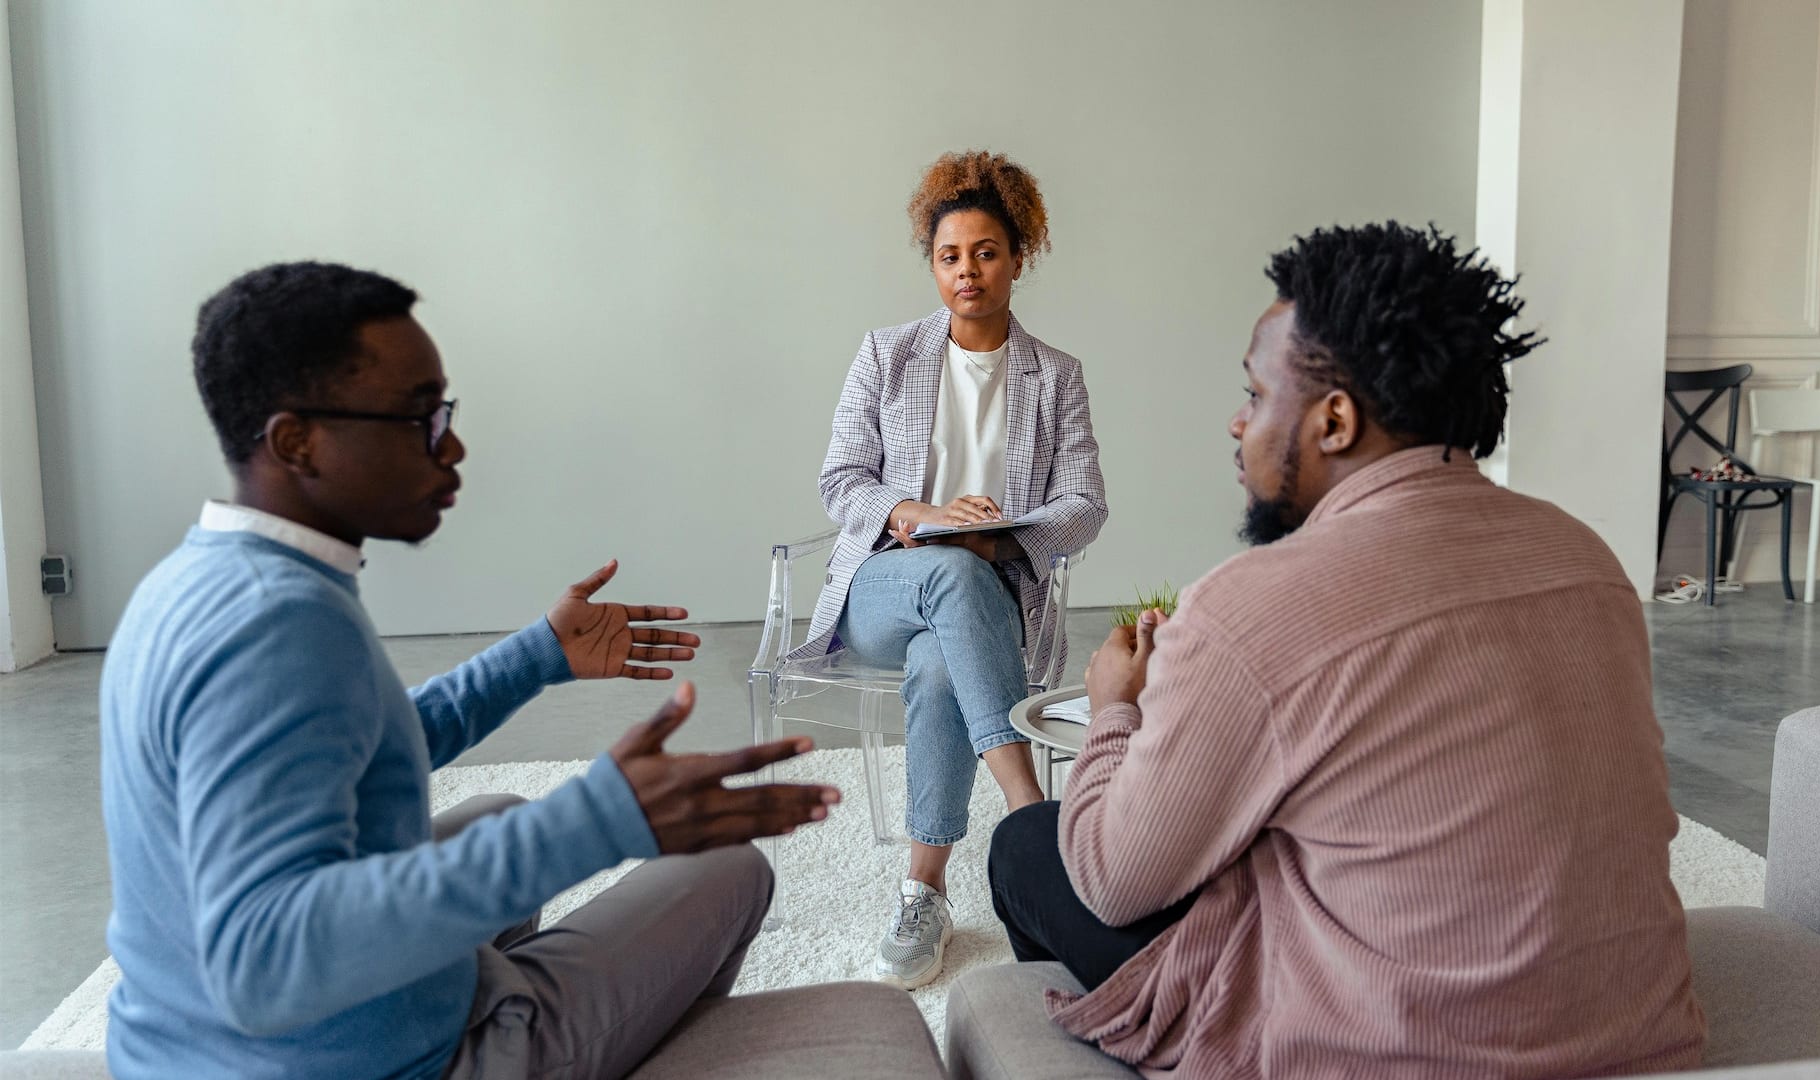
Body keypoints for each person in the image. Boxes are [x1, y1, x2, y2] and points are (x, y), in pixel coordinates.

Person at [988, 223, 1706, 1077]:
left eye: (1255, 396)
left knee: (1032, 843)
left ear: (1334, 420)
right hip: (1635, 1036)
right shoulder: (1584, 558)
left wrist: (1116, 710)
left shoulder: (1250, 605)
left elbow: (1114, 880)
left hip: (1388, 1050)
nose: (1237, 421)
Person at [99, 261, 840, 1080]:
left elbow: (347, 751)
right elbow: (263, 965)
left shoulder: (199, 578)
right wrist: (594, 822)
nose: (451, 446)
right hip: (377, 1062)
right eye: (419, 417)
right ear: (296, 441)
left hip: (178, 1047)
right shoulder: (280, 624)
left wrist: (534, 659)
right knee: (730, 869)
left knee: (491, 814)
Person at [798, 150, 1106, 989]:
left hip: (988, 598)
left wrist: (998, 543)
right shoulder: (886, 354)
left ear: (1018, 257)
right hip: (886, 583)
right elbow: (841, 480)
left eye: (985, 252)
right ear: (932, 264)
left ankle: (921, 890)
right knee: (945, 578)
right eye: (949, 256)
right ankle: (1032, 814)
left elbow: (1084, 502)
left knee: (944, 657)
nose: (966, 270)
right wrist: (921, 517)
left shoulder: (1057, 377)